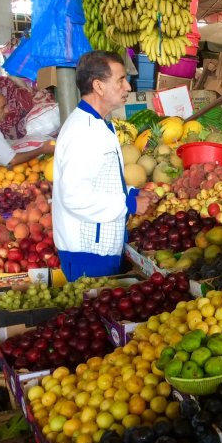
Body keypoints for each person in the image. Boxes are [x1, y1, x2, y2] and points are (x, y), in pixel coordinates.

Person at [52, 51, 150, 281]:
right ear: (98, 85)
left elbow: (99, 182)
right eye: (120, 80)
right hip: (87, 251)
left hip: (98, 245)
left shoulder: (98, 125)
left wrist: (131, 193)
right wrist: (128, 204)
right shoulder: (83, 132)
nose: (127, 86)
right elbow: (74, 196)